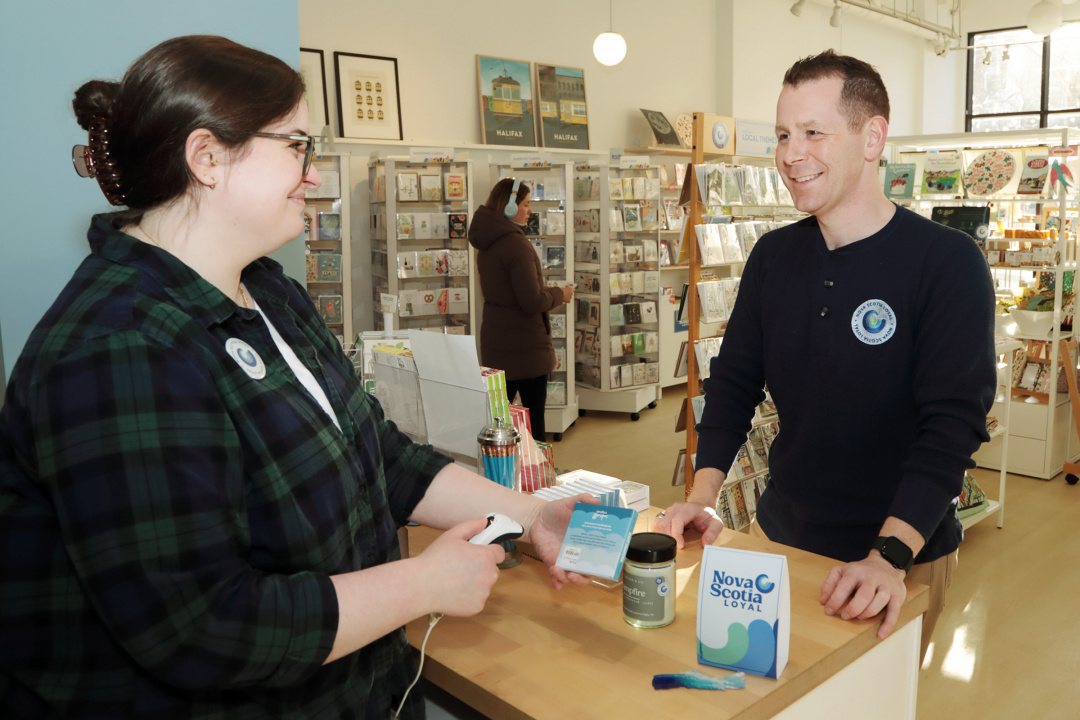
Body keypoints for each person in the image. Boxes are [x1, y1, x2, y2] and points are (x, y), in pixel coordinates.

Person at [0, 35, 591, 719]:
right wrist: (422, 584)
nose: (313, 174)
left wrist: (535, 518)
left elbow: (379, 453)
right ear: (207, 158)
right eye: (297, 147)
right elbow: (200, 628)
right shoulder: (118, 347)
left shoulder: (268, 291)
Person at [653, 50, 995, 659]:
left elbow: (952, 425)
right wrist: (701, 498)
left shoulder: (946, 263)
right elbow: (733, 386)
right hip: (779, 537)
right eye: (784, 134)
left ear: (872, 137)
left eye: (814, 133)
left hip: (897, 558)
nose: (790, 153)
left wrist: (888, 557)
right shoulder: (773, 258)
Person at [469, 178, 573, 441]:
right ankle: (537, 477)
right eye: (526, 204)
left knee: (498, 422)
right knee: (533, 424)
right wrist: (560, 293)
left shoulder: (488, 243)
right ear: (508, 207)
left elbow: (510, 293)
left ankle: (501, 476)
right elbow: (532, 302)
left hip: (498, 345)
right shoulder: (516, 245)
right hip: (526, 351)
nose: (530, 210)